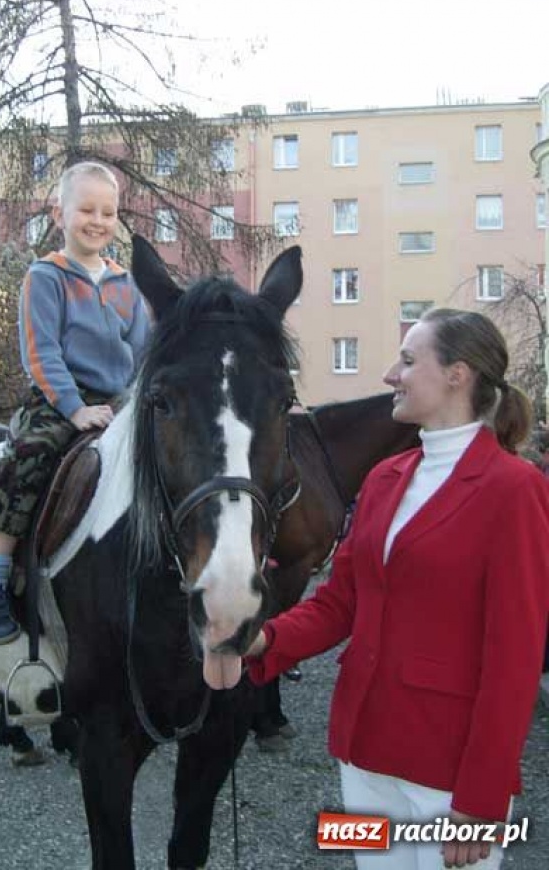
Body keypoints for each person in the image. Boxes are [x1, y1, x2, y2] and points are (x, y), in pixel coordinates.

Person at [245, 307, 549, 870]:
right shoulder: (385, 478)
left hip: (448, 771)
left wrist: (481, 800)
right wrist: (261, 640)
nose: (390, 374)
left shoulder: (516, 489)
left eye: (408, 360)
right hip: (361, 750)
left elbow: (516, 658)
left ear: (457, 375)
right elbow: (341, 603)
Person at [0, 161, 150, 644]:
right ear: (59, 213)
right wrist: (74, 409)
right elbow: (41, 353)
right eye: (86, 210)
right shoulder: (45, 277)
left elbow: (142, 351)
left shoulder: (125, 284)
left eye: (108, 212)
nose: (98, 221)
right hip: (59, 399)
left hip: (118, 399)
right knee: (26, 459)